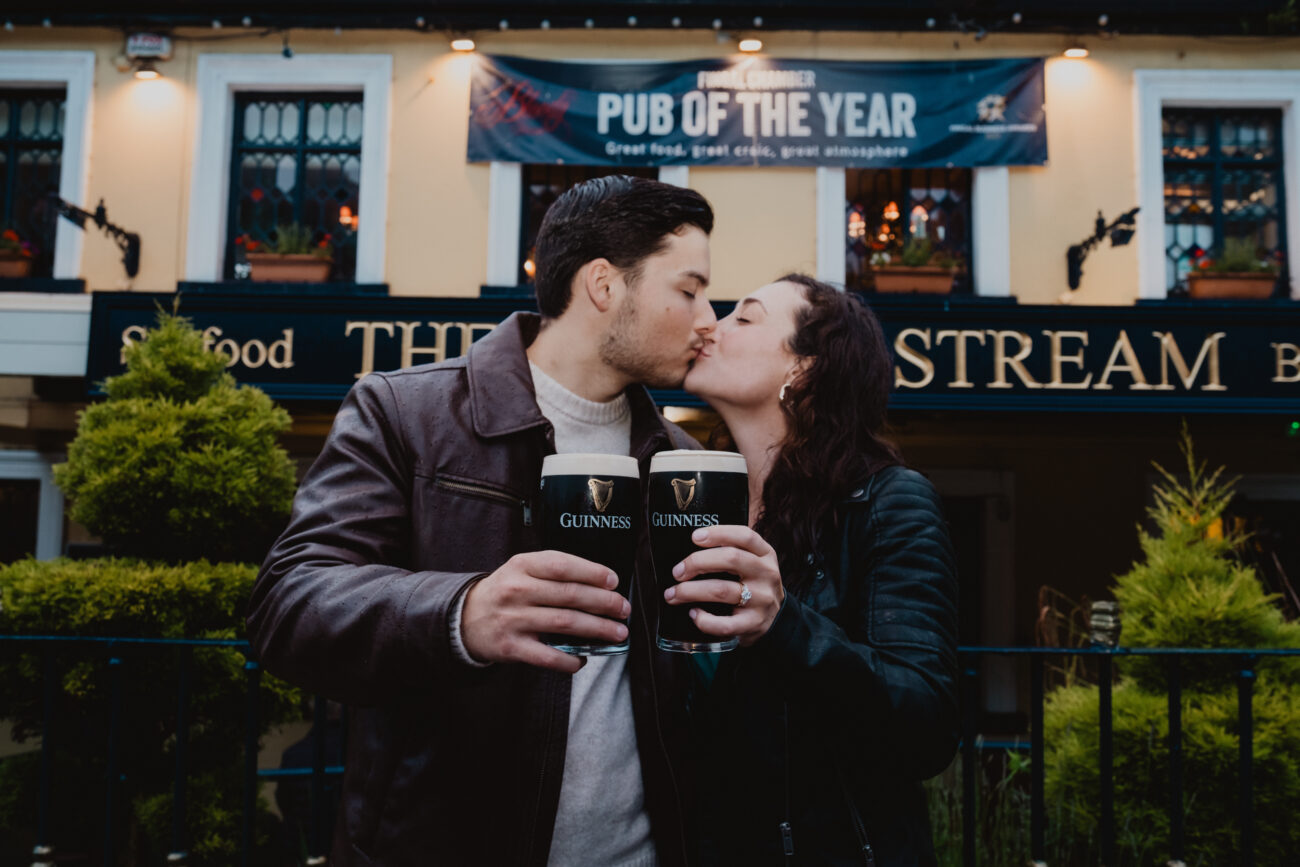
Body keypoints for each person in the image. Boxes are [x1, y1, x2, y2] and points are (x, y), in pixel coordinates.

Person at [246, 175, 717, 866]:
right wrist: (460, 614)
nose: (709, 317)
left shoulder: (682, 460)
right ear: (603, 286)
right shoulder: (403, 413)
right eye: (690, 289)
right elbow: (288, 603)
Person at [667, 274, 959, 865]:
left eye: (743, 318)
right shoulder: (689, 499)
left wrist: (783, 627)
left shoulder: (887, 501)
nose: (709, 326)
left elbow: (925, 723)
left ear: (803, 369)